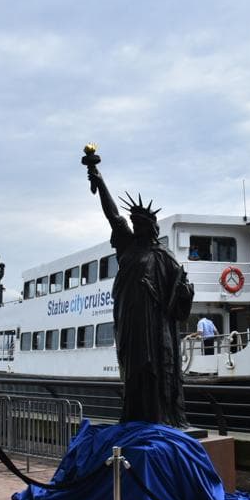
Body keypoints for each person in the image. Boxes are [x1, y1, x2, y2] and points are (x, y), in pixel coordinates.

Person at [87, 162, 195, 428]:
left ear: (151, 227)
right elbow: (113, 215)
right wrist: (100, 182)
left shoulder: (164, 257)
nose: (134, 226)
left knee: (154, 369)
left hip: (155, 325)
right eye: (133, 223)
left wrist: (185, 292)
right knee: (134, 369)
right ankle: (136, 416)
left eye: (139, 224)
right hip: (130, 319)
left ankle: (159, 416)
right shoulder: (127, 245)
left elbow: (180, 299)